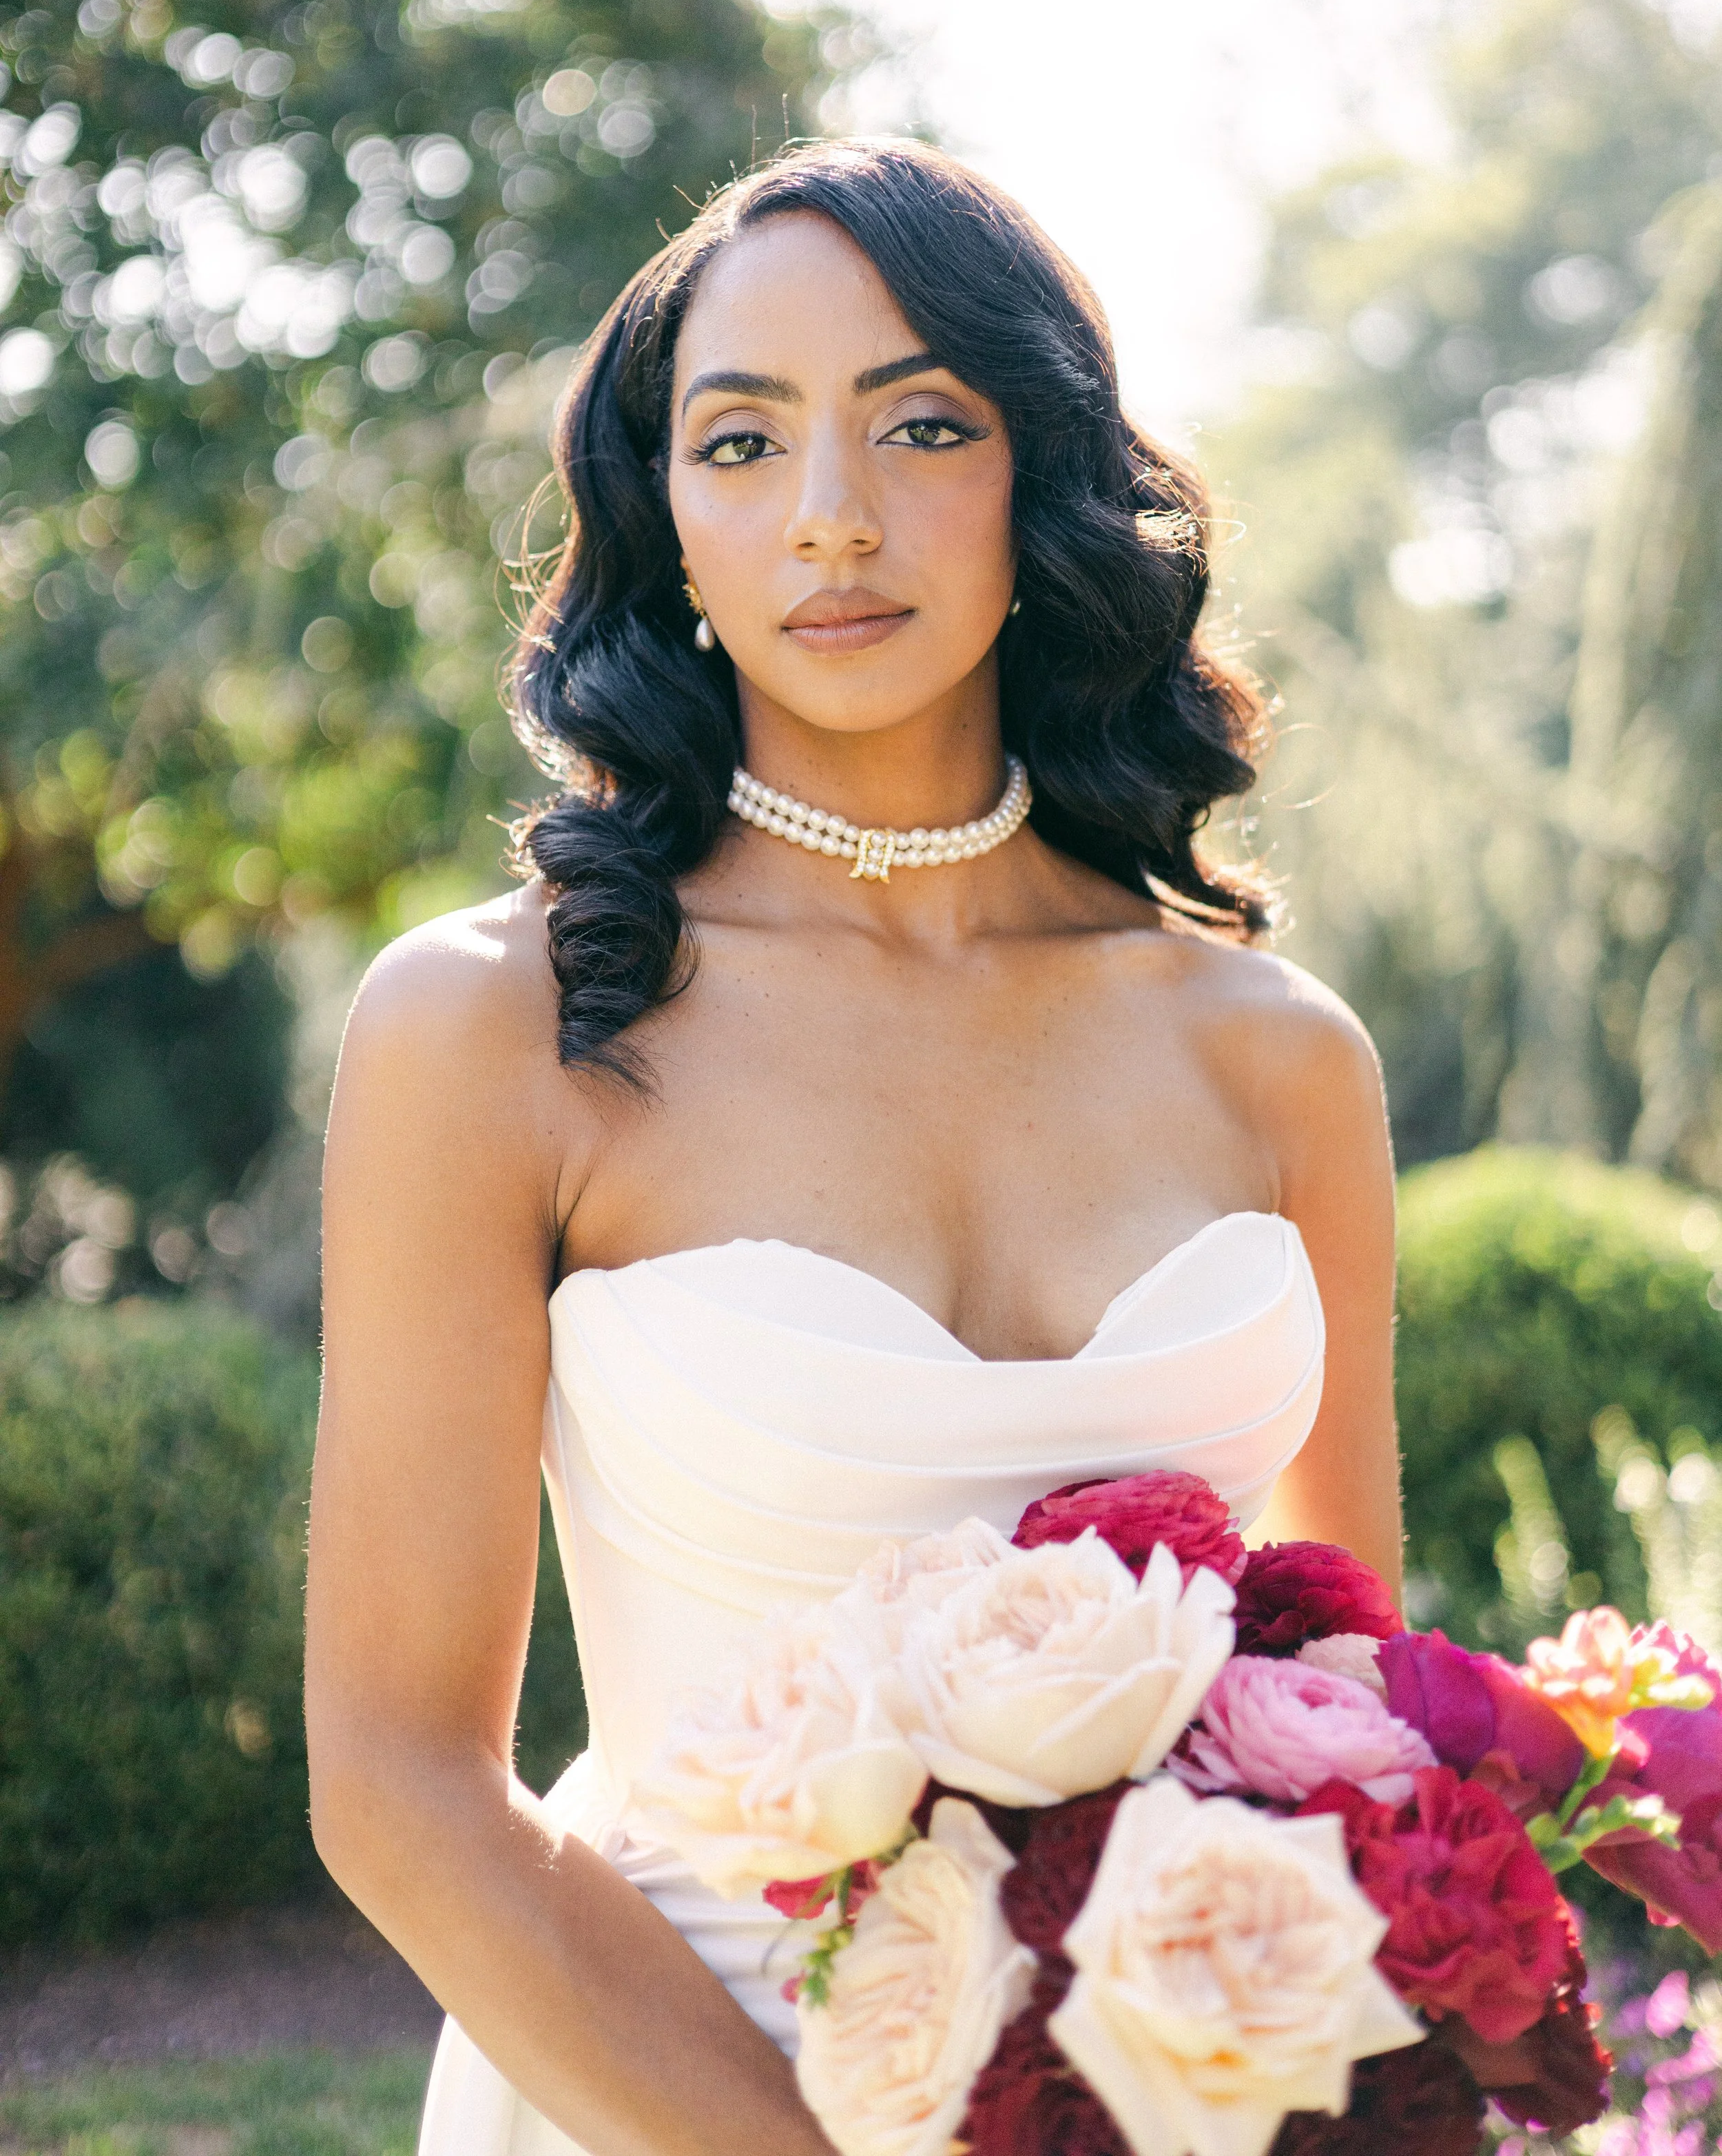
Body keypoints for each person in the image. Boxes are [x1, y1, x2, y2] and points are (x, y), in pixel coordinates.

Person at [305, 139, 1401, 2156]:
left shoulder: (1275, 1057)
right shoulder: (501, 1026)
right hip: (655, 2098)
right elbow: (396, 1775)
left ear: (1040, 480)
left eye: (919, 424)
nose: (831, 518)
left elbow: (1351, 1705)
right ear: (669, 527)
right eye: (740, 442)